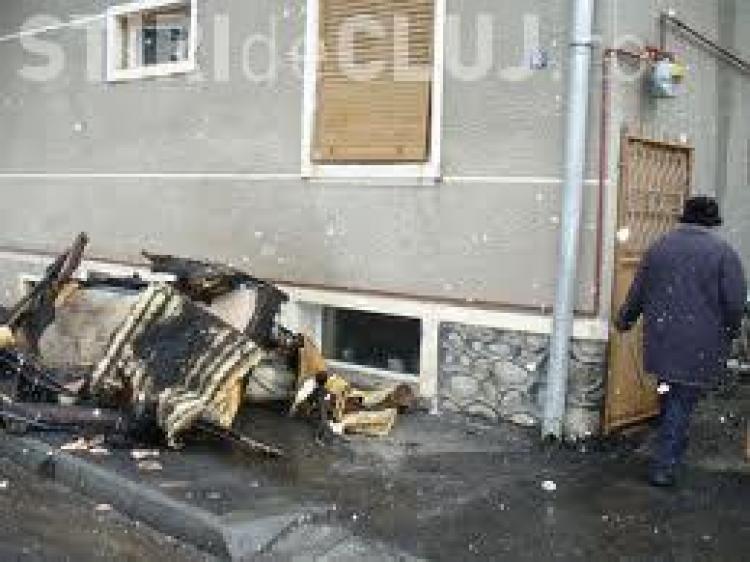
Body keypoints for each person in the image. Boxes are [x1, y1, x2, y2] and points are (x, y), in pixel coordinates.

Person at [615, 195, 747, 487]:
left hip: (661, 339)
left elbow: (639, 291)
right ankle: (665, 464)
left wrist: (625, 318)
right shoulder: (723, 253)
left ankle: (671, 445)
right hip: (700, 344)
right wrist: (731, 329)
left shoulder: (659, 248)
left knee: (669, 394)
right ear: (712, 223)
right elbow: (735, 302)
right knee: (682, 400)